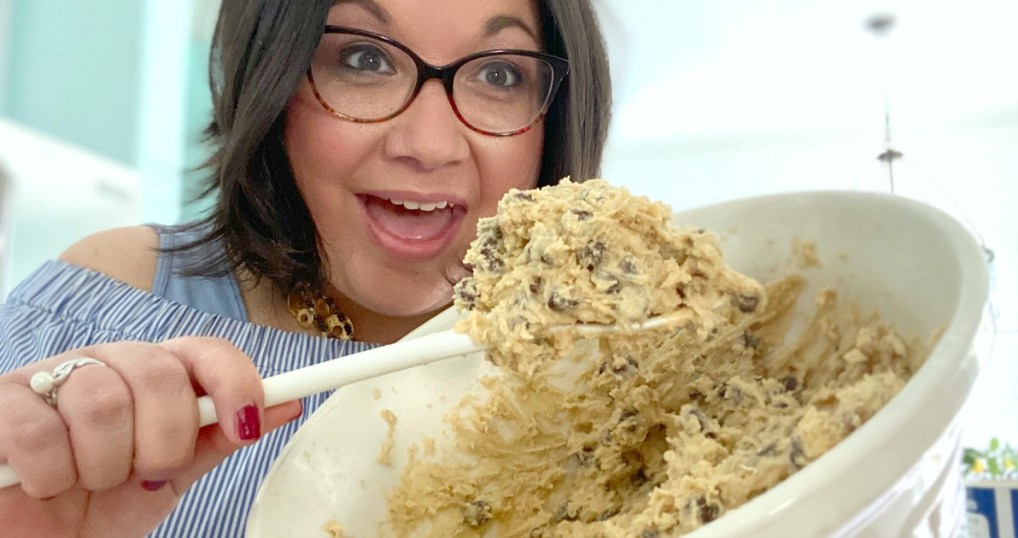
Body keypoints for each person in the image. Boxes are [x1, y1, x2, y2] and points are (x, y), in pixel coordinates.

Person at [0, 0, 611, 535]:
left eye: (498, 74)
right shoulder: (103, 307)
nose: (429, 146)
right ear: (272, 80)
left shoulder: (612, 373)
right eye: (365, 60)